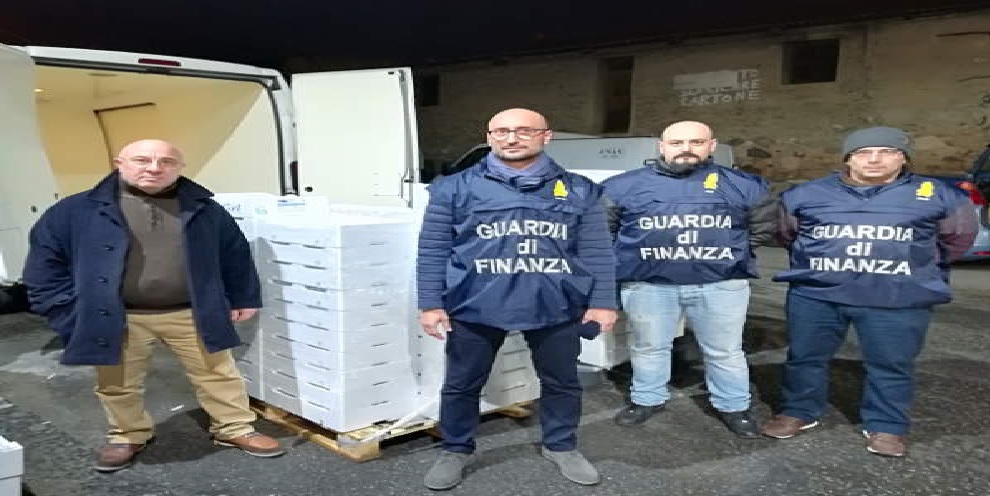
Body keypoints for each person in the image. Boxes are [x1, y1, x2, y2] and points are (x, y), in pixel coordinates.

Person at [23, 139, 284, 473]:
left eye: (166, 161)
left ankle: (234, 428)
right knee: (117, 381)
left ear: (180, 167)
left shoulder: (204, 208)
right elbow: (45, 264)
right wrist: (63, 309)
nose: (154, 168)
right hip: (116, 315)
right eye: (142, 160)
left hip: (191, 311)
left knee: (218, 373)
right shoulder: (75, 211)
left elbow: (234, 254)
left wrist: (243, 296)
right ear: (119, 163)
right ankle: (127, 434)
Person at [417, 108, 618, 490]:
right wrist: (430, 303)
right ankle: (456, 448)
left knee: (561, 381)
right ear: (489, 137)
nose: (512, 138)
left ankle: (561, 445)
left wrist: (603, 302)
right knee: (461, 383)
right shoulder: (453, 188)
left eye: (524, 130)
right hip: (475, 302)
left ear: (546, 136)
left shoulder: (579, 189)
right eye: (502, 131)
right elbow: (433, 249)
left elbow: (596, 250)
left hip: (556, 302)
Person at [761, 126, 978, 457]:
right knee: (805, 357)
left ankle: (886, 425)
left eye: (887, 152)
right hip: (818, 295)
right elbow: (786, 234)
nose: (874, 159)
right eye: (863, 152)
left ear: (903, 158)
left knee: (891, 363)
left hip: (898, 297)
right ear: (848, 159)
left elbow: (957, 239)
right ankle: (799, 411)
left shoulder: (938, 195)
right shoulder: (805, 194)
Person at [602, 121, 776, 438]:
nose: (686, 148)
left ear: (712, 145)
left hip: (721, 283)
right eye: (677, 142)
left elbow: (763, 228)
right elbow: (604, 231)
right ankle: (647, 398)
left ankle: (733, 406)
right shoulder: (622, 185)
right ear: (662, 146)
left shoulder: (745, 185)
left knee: (725, 350)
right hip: (648, 284)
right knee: (649, 346)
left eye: (696, 142)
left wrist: (725, 254)